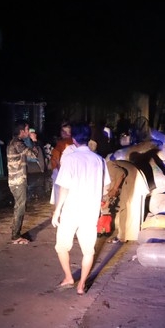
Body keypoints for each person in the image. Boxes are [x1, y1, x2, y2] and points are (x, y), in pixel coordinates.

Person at [52, 122, 110, 295]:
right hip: (90, 211)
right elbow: (106, 188)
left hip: (71, 209)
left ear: (74, 138)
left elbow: (64, 187)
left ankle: (69, 277)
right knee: (88, 250)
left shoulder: (70, 159)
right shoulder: (99, 160)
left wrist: (57, 211)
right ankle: (81, 285)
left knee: (62, 247)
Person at [7, 119, 40, 245]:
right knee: (20, 207)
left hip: (15, 180)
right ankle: (15, 236)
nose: (29, 131)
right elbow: (33, 154)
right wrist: (34, 141)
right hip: (18, 180)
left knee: (19, 206)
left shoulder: (14, 142)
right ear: (22, 131)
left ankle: (16, 232)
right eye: (27, 129)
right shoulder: (18, 144)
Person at [103, 159, 128, 243]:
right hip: (122, 184)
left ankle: (123, 236)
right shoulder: (102, 171)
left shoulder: (108, 165)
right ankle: (122, 234)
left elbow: (121, 173)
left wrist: (114, 189)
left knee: (124, 208)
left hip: (130, 180)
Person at [49, 122, 73, 205]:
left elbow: (58, 159)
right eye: (62, 131)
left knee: (60, 195)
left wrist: (59, 168)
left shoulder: (65, 143)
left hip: (61, 171)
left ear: (69, 133)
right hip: (63, 171)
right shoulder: (65, 143)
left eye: (65, 132)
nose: (63, 133)